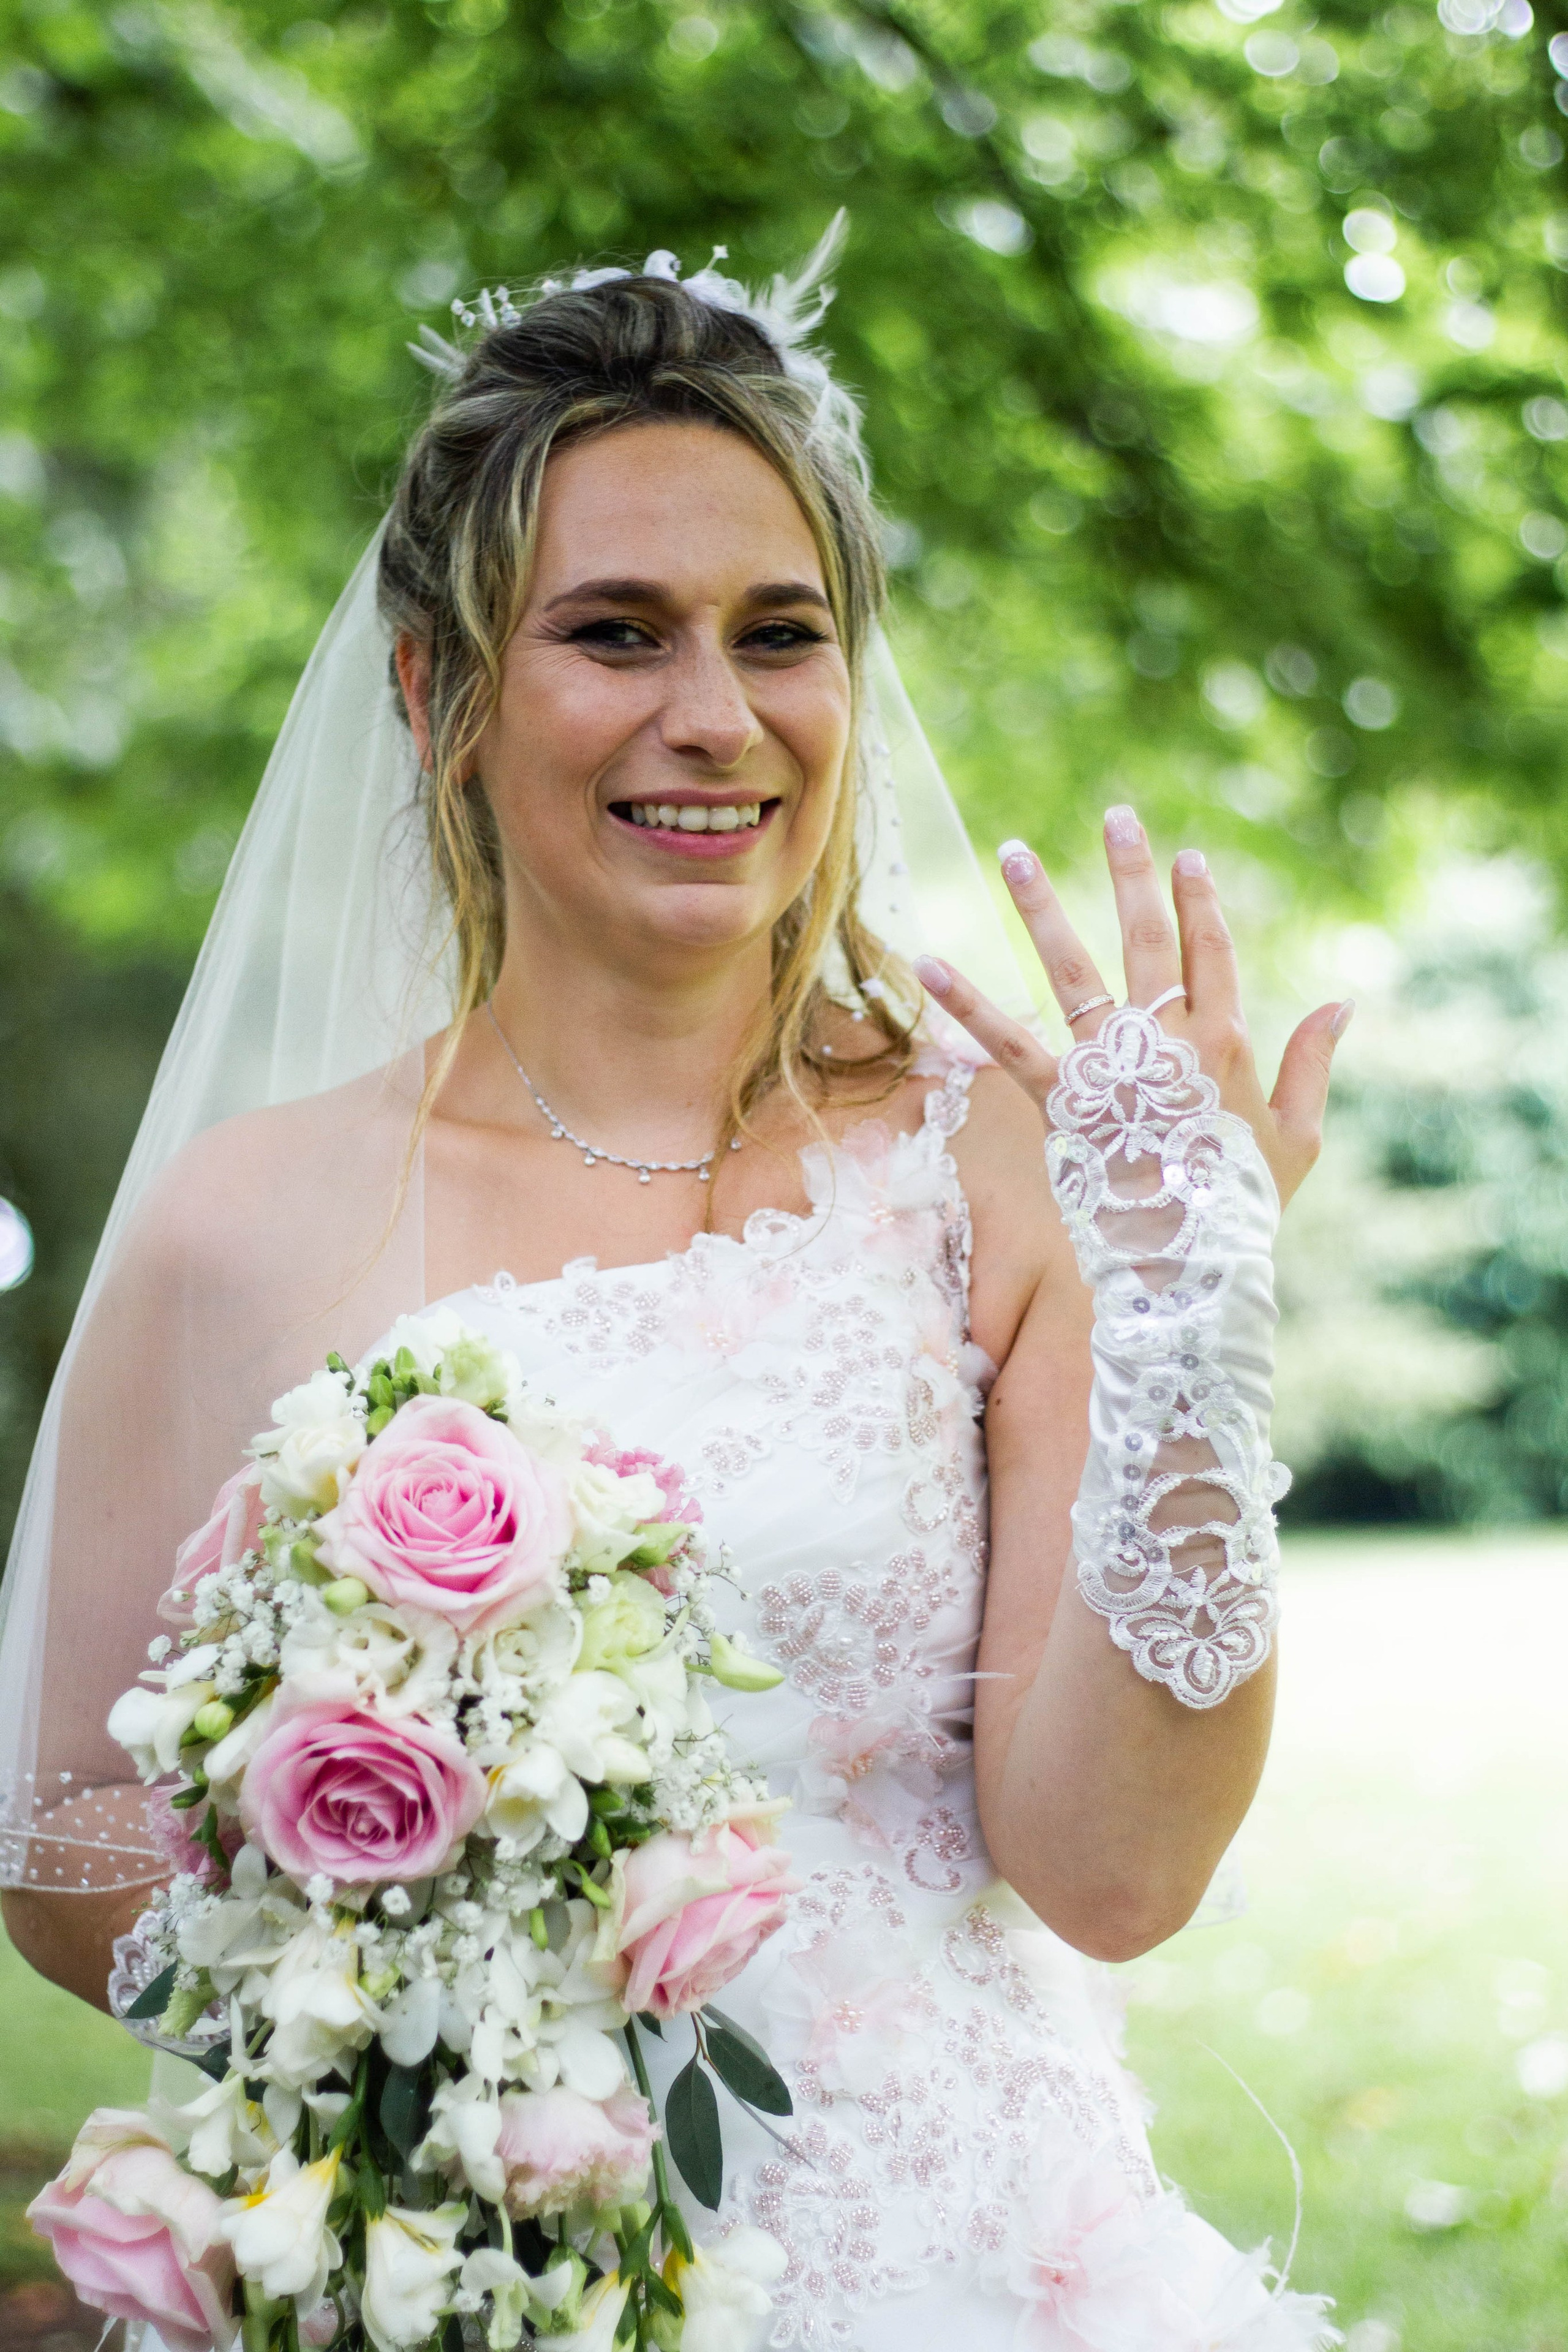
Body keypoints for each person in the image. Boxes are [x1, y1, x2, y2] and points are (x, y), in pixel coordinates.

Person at [0, 230, 1347, 2345]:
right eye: (615, 633)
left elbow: (1113, 1877)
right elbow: (60, 1833)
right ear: (441, 693)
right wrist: (401, 1940)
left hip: (972, 2262)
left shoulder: (1000, 1162)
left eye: (779, 634)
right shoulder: (242, 1222)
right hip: (473, 2266)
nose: (712, 719)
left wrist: (1194, 1318)